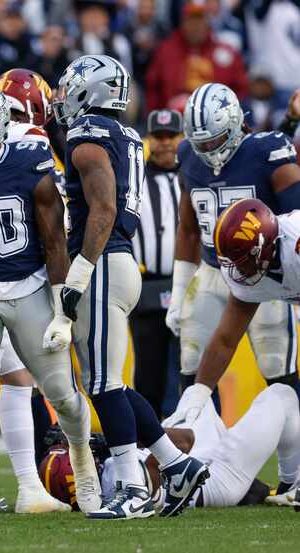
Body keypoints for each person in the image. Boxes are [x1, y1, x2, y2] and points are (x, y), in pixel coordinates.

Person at [53, 54, 208, 519]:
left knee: (101, 384)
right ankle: (176, 464)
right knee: (113, 382)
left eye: (72, 87)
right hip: (122, 263)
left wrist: (79, 272)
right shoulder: (126, 135)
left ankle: (132, 485)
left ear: (90, 91)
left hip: (100, 262)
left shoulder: (89, 135)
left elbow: (101, 210)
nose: (65, 97)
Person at [0, 82, 98, 524]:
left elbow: (52, 240)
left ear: (3, 122)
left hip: (27, 287)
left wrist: (62, 309)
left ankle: (82, 460)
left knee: (63, 395)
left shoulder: (28, 161)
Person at [165, 84, 300, 420]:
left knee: (276, 363)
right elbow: (189, 228)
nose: (209, 150)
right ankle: (206, 457)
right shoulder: (187, 156)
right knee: (193, 364)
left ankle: (294, 461)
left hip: (267, 272)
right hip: (213, 272)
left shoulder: (266, 152)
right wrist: (180, 290)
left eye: (214, 139)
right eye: (201, 143)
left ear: (235, 123)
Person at [167, 200, 300, 499]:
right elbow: (227, 338)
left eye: (243, 260)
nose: (238, 269)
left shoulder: (296, 249)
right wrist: (198, 393)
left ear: (267, 246)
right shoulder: (248, 264)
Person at [103, 383, 300, 509]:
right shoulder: (117, 478)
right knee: (281, 394)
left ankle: (255, 486)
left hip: (193, 456)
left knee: (197, 393)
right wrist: (122, 437)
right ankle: (289, 483)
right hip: (212, 483)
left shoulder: (104, 473)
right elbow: (183, 440)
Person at [130, 109, 183, 418]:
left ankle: (198, 441)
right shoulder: (134, 177)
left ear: (182, 138)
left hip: (188, 286)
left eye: (171, 137)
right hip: (146, 285)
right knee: (148, 374)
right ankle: (147, 449)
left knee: (191, 370)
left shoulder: (194, 174)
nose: (164, 144)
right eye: (158, 137)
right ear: (148, 139)